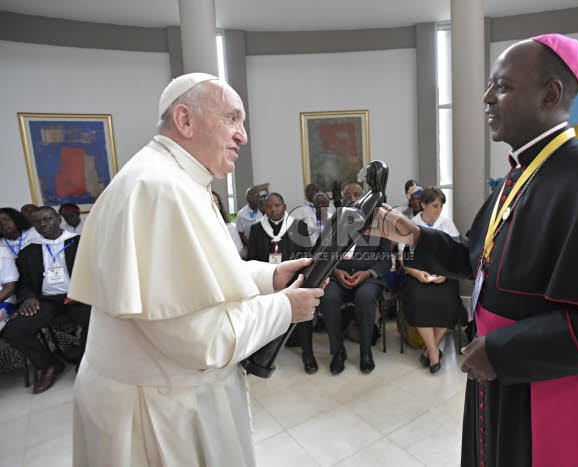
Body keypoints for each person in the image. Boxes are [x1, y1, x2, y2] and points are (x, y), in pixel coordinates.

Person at [372, 34, 578, 467]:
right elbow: (476, 256)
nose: (487, 97)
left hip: (556, 387)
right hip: (497, 371)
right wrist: (413, 235)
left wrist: (504, 351)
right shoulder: (517, 177)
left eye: (502, 86)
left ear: (551, 93)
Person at [68, 73, 324, 466]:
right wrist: (285, 308)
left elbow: (201, 272)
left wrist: (267, 278)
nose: (243, 136)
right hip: (158, 410)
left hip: (168, 397)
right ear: (185, 121)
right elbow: (198, 337)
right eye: (232, 119)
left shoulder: (179, 179)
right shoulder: (158, 188)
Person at [2, 207, 90, 394]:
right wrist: (28, 297)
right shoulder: (28, 252)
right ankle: (49, 365)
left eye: (47, 219)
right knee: (14, 330)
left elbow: (95, 274)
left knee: (95, 317)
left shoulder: (81, 243)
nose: (43, 224)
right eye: (38, 222)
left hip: (76, 296)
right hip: (45, 301)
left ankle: (85, 359)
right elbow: (23, 284)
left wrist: (81, 291)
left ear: (58, 219)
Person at [320, 182, 392, 375]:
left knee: (366, 296)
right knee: (328, 296)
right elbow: (324, 256)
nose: (352, 198)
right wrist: (335, 272)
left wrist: (368, 273)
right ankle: (337, 352)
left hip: (368, 278)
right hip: (338, 276)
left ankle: (365, 352)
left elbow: (386, 259)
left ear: (365, 198)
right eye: (348, 195)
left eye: (357, 194)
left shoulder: (379, 223)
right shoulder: (334, 222)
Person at [246, 192, 317, 374]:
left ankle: (307, 354)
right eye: (269, 206)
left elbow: (308, 257)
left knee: (302, 317)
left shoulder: (298, 226)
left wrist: (300, 282)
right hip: (267, 283)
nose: (273, 209)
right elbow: (252, 260)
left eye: (277, 205)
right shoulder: (257, 229)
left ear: (284, 206)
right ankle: (262, 354)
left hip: (294, 281)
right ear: (264, 209)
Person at [399, 187, 462, 374]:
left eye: (441, 206)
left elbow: (457, 254)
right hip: (417, 274)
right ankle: (434, 352)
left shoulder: (447, 224)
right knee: (419, 300)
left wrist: (446, 273)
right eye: (435, 205)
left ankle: (430, 349)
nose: (439, 209)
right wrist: (417, 274)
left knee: (450, 302)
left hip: (443, 275)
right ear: (423, 205)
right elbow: (404, 258)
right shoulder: (410, 226)